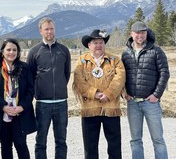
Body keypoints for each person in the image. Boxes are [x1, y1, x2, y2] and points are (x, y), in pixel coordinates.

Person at [73, 29, 125, 159]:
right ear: (89, 45)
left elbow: (120, 79)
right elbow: (78, 80)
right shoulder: (81, 61)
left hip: (110, 108)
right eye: (95, 42)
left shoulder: (115, 60)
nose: (98, 45)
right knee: (90, 148)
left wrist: (108, 93)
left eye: (101, 42)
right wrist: (94, 94)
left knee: (114, 146)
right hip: (89, 108)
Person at [121, 21, 170, 159]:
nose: (140, 35)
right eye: (137, 32)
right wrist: (124, 93)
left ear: (146, 34)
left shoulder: (156, 50)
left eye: (143, 32)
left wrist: (156, 95)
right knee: (135, 140)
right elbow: (121, 76)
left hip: (151, 103)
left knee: (158, 139)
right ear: (131, 34)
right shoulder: (126, 54)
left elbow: (164, 73)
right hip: (132, 103)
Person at [26, 17, 71, 159]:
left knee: (61, 141)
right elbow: (30, 76)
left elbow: (66, 73)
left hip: (61, 103)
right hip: (42, 104)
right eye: (46, 29)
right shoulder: (34, 52)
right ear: (40, 31)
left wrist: (59, 88)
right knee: (41, 141)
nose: (49, 31)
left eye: (51, 28)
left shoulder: (64, 50)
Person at [0, 38, 37, 159]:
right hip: (2, 113)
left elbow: (30, 89)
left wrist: (21, 107)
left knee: (21, 144)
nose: (11, 52)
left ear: (18, 52)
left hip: (19, 113)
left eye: (14, 50)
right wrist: (3, 107)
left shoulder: (24, 68)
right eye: (8, 49)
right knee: (5, 145)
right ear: (2, 51)